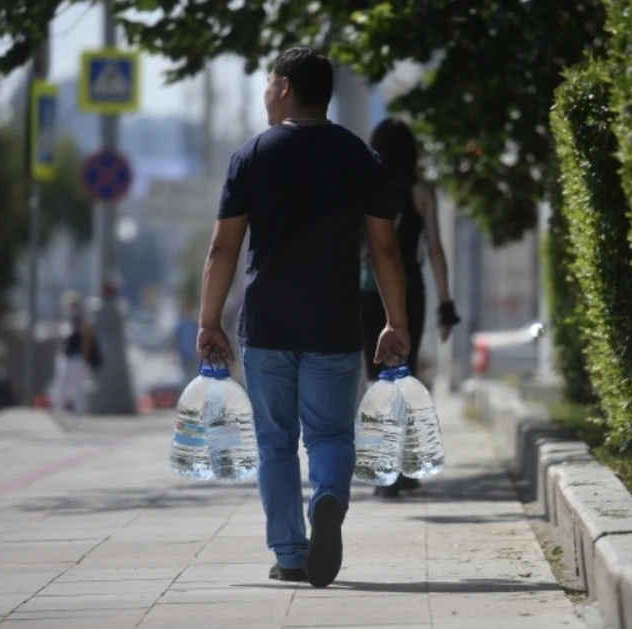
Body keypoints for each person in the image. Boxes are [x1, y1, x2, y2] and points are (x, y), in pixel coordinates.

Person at [196, 48, 410, 589]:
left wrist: (208, 320)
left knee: (275, 443)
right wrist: (395, 321)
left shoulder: (251, 156)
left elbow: (223, 247)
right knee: (332, 435)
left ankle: (290, 554)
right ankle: (330, 504)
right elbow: (385, 248)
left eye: (269, 82)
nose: (265, 91)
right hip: (334, 323)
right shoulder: (359, 157)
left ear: (286, 88)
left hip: (266, 326)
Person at [360, 117, 462, 498]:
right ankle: (403, 466)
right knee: (403, 377)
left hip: (368, 293)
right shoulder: (422, 192)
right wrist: (446, 303)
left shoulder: (362, 188)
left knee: (376, 381)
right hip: (410, 292)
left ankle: (384, 470)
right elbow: (434, 249)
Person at [48, 291, 96, 416]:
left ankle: (79, 414)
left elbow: (87, 340)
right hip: (65, 357)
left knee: (77, 389)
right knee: (59, 386)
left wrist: (84, 357)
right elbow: (61, 341)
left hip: (76, 358)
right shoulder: (65, 321)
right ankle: (57, 411)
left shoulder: (82, 321)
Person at [174, 303, 200, 383]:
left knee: (194, 374)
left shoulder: (194, 324)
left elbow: (197, 337)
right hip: (184, 354)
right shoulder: (181, 325)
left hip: (193, 354)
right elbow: (176, 338)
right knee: (186, 375)